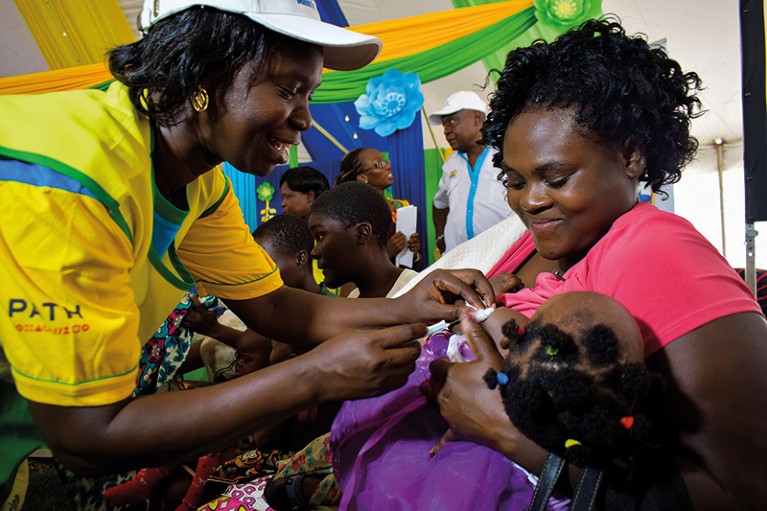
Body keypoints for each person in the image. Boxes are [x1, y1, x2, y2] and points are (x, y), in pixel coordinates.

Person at [0, 1, 495, 507]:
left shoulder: (196, 182)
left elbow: (274, 305)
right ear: (199, 73)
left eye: (308, 93)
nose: (303, 117)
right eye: (287, 90)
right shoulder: (69, 183)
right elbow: (85, 437)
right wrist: (314, 376)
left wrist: (406, 306)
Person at [332, 18, 767, 510]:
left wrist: (511, 434)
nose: (530, 201)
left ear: (631, 156)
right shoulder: (545, 247)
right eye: (514, 181)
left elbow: (744, 491)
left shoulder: (657, 249)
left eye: (555, 177)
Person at [429, 90, 513, 255]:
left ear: (477, 119)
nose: (446, 130)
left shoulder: (506, 155)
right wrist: (440, 237)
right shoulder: (450, 164)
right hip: (458, 259)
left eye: (451, 121)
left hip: (501, 257)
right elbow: (439, 204)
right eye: (444, 125)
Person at [309, 181, 420, 299]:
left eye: (320, 236)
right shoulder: (353, 300)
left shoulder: (419, 292)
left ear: (362, 233)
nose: (314, 253)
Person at [336, 148, 421, 265]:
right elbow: (350, 266)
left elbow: (414, 263)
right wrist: (387, 253)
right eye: (379, 164)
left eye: (386, 162)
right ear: (362, 178)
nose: (387, 166)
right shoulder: (353, 216)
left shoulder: (402, 207)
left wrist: (414, 253)